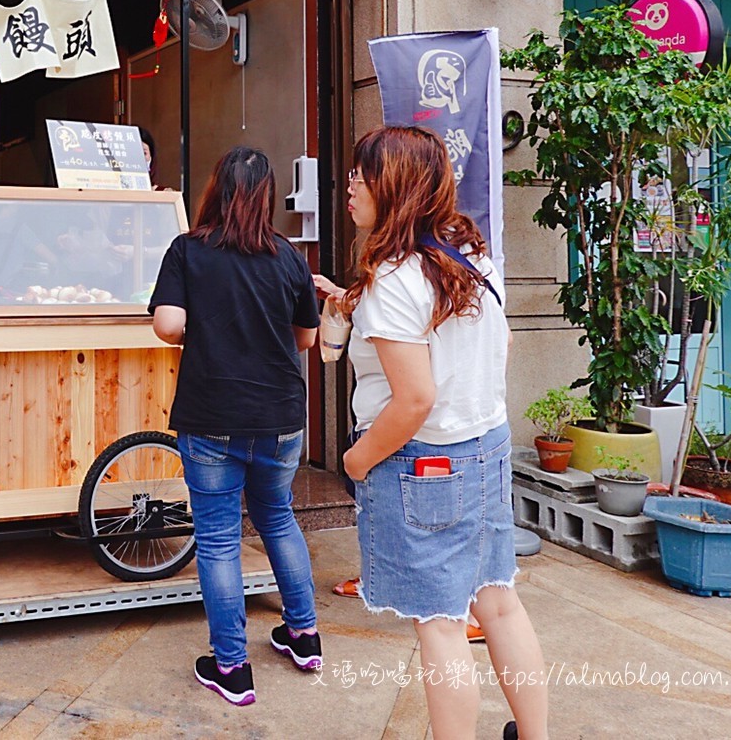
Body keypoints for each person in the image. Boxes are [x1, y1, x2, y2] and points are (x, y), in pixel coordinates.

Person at [318, 125, 547, 740]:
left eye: (359, 176)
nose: (350, 186)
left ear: (390, 185)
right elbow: (484, 352)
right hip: (486, 447)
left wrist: (358, 459)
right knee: (498, 602)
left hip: (422, 463)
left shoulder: (393, 279)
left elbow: (415, 399)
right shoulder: (467, 257)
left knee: (440, 623)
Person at [148, 146, 322, 706]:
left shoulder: (188, 250)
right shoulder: (289, 257)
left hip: (213, 416)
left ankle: (232, 667)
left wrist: (207, 325)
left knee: (220, 542)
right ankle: (303, 634)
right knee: (278, 518)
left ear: (216, 189)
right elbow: (306, 340)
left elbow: (167, 326)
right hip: (280, 418)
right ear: (267, 193)